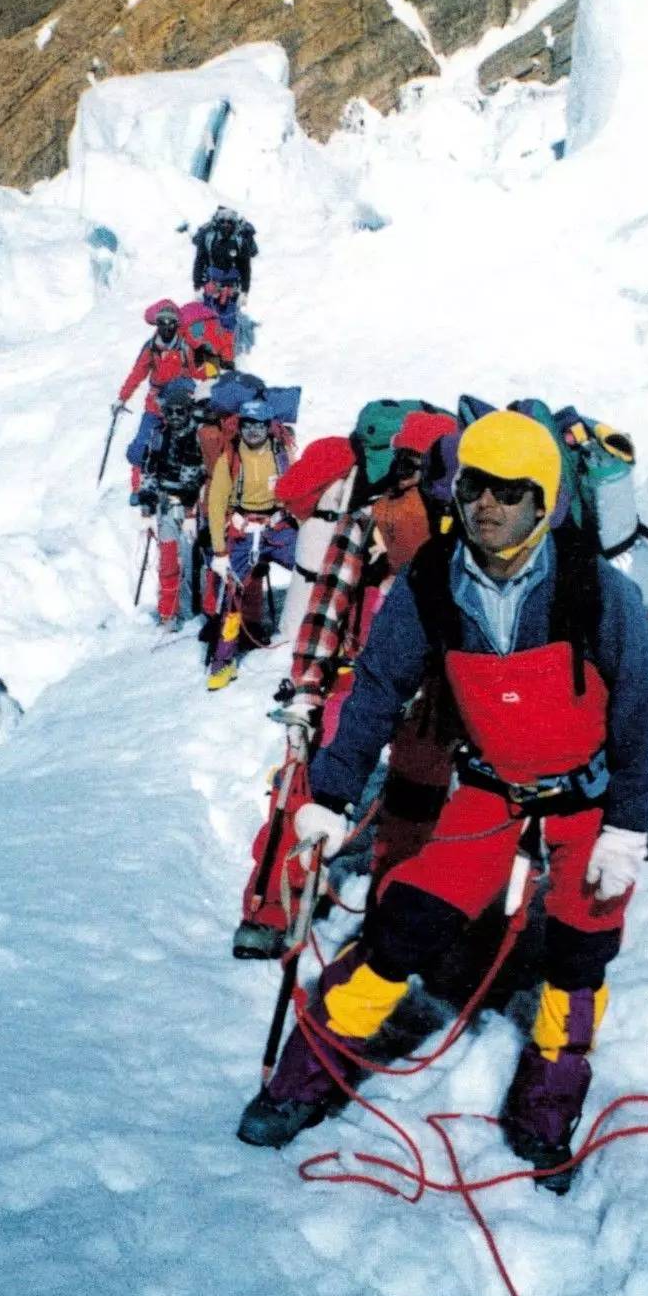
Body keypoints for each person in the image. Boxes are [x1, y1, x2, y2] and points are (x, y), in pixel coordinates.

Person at [237, 409, 648, 1192]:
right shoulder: (432, 585)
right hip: (490, 790)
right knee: (404, 926)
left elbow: (644, 718)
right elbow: (373, 695)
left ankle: (547, 1113)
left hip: (590, 801)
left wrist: (627, 830)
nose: (487, 506)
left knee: (578, 957)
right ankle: (302, 1082)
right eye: (474, 486)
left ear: (546, 503)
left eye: (511, 491)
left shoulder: (597, 594)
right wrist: (330, 796)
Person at [233, 409, 458, 958]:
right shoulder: (375, 524)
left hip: (407, 690)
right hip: (370, 685)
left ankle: (380, 923)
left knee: (402, 804)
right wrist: (309, 687)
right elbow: (330, 607)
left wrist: (310, 681)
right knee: (320, 790)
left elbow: (326, 607)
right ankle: (282, 902)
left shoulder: (425, 534)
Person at [204, 399, 296, 692]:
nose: (253, 433)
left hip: (277, 528)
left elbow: (297, 487)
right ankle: (223, 659)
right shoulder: (230, 458)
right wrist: (220, 551)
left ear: (269, 427)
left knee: (312, 569)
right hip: (242, 531)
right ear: (240, 426)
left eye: (259, 426)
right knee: (233, 595)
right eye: (248, 426)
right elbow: (216, 505)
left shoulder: (282, 453)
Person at [136, 378, 206, 628]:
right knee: (167, 560)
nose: (175, 416)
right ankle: (168, 613)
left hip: (192, 508)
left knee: (192, 562)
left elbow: (195, 473)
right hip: (167, 506)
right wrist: (147, 502)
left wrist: (190, 509)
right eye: (170, 411)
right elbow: (149, 470)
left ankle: (194, 614)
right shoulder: (159, 436)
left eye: (180, 411)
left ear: (188, 410)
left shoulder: (197, 436)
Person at [116, 301, 199, 497]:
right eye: (163, 322)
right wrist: (122, 397)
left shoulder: (186, 347)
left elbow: (198, 372)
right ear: (157, 324)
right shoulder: (151, 348)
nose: (167, 327)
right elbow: (137, 373)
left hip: (180, 404)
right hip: (156, 404)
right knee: (141, 444)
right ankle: (138, 488)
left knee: (190, 442)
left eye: (171, 323)